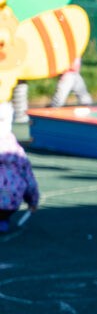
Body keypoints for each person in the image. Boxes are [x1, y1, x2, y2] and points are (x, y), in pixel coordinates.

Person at [0, 102, 39, 241]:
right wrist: (32, 201)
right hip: (11, 201)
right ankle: (3, 223)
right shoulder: (17, 151)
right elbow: (29, 179)